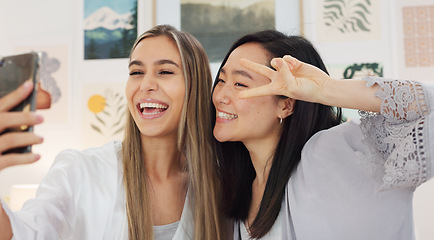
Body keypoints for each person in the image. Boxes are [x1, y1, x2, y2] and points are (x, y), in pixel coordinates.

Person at [1, 25, 224, 240]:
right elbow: (23, 235)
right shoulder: (80, 171)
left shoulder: (222, 180)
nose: (145, 84)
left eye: (165, 71)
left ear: (196, 86)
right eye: (136, 72)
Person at [211, 30, 434, 240]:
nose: (221, 95)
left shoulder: (333, 154)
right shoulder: (234, 191)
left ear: (286, 105)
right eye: (221, 80)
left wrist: (327, 89)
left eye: (240, 83)